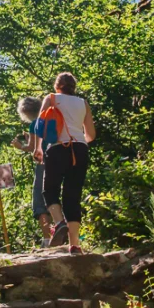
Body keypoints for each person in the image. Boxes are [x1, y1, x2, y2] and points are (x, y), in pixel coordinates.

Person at [34, 73, 96, 254]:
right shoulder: (83, 103)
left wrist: (38, 148)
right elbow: (91, 134)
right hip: (80, 150)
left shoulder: (51, 98)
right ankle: (75, 245)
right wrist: (78, 140)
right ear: (73, 87)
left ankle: (59, 222)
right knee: (72, 195)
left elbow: (40, 125)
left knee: (49, 189)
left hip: (57, 149)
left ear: (57, 86)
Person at [11, 96, 52, 244]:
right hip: (59, 161)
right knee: (56, 197)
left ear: (25, 112)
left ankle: (47, 239)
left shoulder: (34, 123)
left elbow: (33, 149)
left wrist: (20, 146)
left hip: (44, 164)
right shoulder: (50, 120)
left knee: (40, 201)